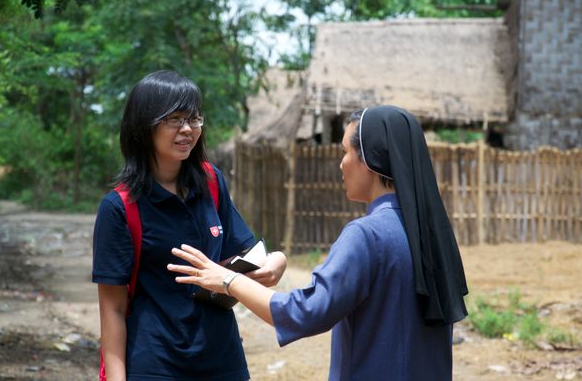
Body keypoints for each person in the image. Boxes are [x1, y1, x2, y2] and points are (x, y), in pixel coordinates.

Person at [168, 105, 469, 380]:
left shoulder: (366, 235)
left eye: (345, 153)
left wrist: (229, 280)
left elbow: (305, 312)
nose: (341, 165)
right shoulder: (430, 234)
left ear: (372, 161)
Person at [92, 70, 287, 380]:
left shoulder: (211, 182)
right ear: (144, 125)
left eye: (194, 119)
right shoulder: (119, 208)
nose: (187, 129)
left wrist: (278, 261)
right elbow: (112, 309)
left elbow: (246, 254)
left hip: (223, 360)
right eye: (175, 120)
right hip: (156, 363)